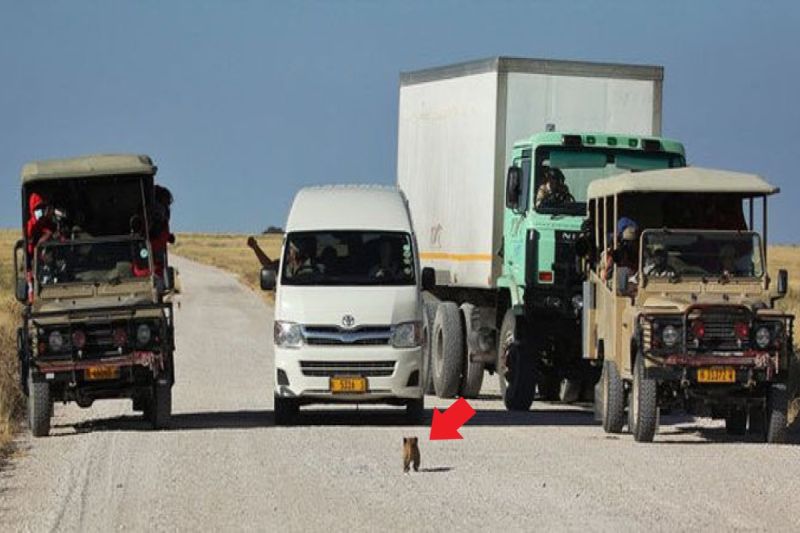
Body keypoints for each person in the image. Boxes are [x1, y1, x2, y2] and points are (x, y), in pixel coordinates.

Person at [149, 185, 175, 278]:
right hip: (156, 244)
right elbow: (160, 227)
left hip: (157, 243)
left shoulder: (156, 208)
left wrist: (168, 236)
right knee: (157, 267)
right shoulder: (160, 210)